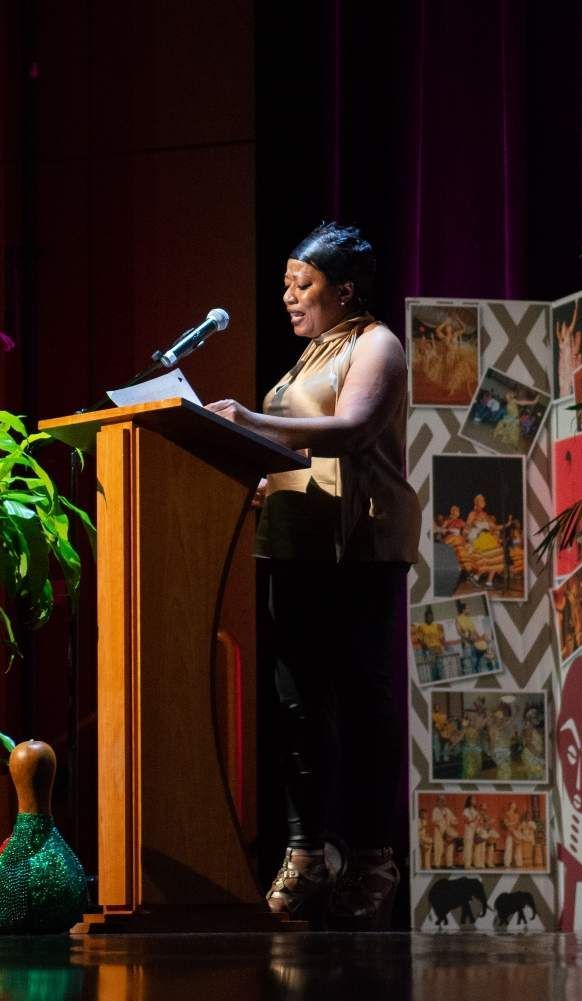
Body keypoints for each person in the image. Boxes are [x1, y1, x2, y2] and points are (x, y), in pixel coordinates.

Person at [207, 222, 418, 928]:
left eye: (305, 285)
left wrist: (249, 421)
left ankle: (371, 858)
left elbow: (355, 428)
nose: (288, 296)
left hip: (357, 549)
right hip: (295, 547)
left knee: (363, 704)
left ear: (346, 290)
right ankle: (305, 853)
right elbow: (299, 451)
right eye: (288, 283)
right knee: (297, 707)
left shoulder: (374, 344)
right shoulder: (305, 361)